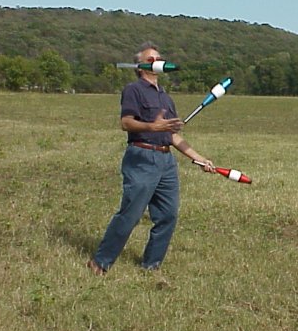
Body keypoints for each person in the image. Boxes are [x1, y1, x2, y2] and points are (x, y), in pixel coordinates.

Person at [88, 42, 215, 275]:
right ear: (141, 66)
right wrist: (151, 126)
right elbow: (125, 122)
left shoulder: (166, 98)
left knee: (168, 214)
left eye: (159, 57)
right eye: (152, 58)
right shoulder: (133, 90)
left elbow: (173, 136)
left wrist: (198, 158)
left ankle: (151, 265)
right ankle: (101, 261)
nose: (158, 61)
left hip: (166, 162)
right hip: (142, 157)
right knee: (131, 214)